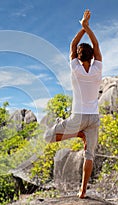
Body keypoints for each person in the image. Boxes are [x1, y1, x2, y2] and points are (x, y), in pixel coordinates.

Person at [44, 9, 102, 198]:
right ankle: (83, 191)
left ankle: (77, 134)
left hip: (78, 117)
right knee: (89, 155)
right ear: (92, 57)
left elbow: (72, 45)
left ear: (78, 56)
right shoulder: (97, 69)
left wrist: (82, 28)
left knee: (48, 136)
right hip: (93, 118)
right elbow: (96, 44)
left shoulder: (75, 68)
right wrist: (88, 28)